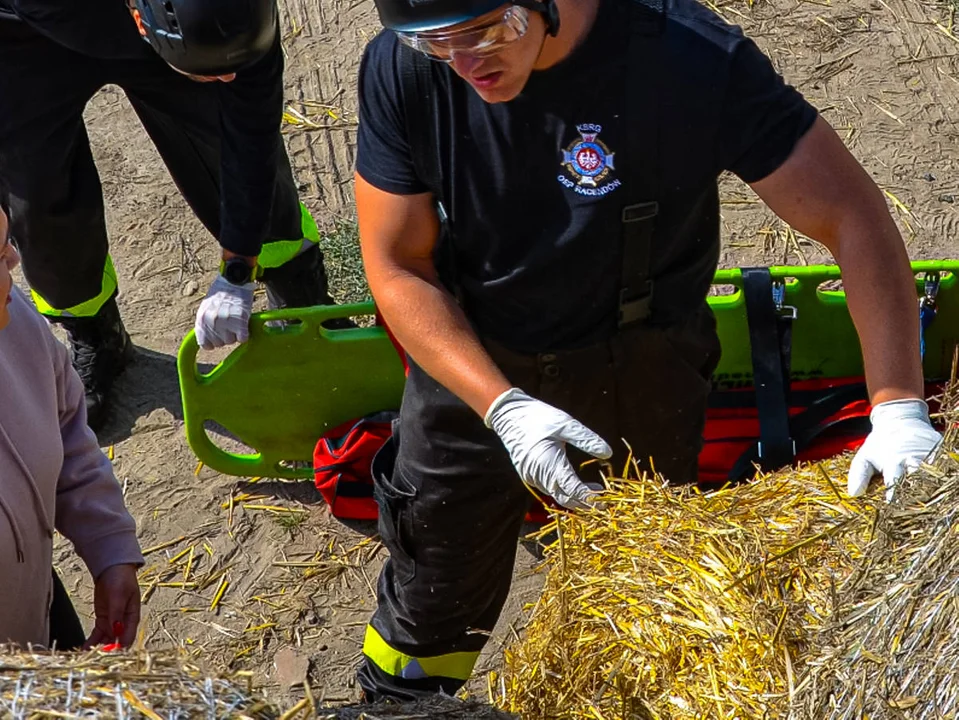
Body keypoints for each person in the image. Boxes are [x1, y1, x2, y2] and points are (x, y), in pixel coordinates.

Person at [352, 0, 944, 701]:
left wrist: (897, 404)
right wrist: (502, 407)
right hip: (473, 362)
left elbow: (850, 214)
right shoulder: (405, 70)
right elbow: (397, 266)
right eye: (435, 43)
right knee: (428, 601)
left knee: (641, 608)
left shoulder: (683, 59)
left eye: (486, 31)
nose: (465, 63)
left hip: (637, 368)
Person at [0, 0, 340, 430]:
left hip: (184, 19)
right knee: (37, 192)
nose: (226, 77)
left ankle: (298, 291)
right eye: (209, 69)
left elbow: (251, 132)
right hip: (23, 34)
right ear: (141, 19)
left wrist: (237, 269)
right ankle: (95, 333)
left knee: (229, 145)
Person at [0, 198, 143, 649]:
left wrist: (109, 547)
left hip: (34, 611)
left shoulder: (14, 321)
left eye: (6, 243)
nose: (16, 261)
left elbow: (65, 428)